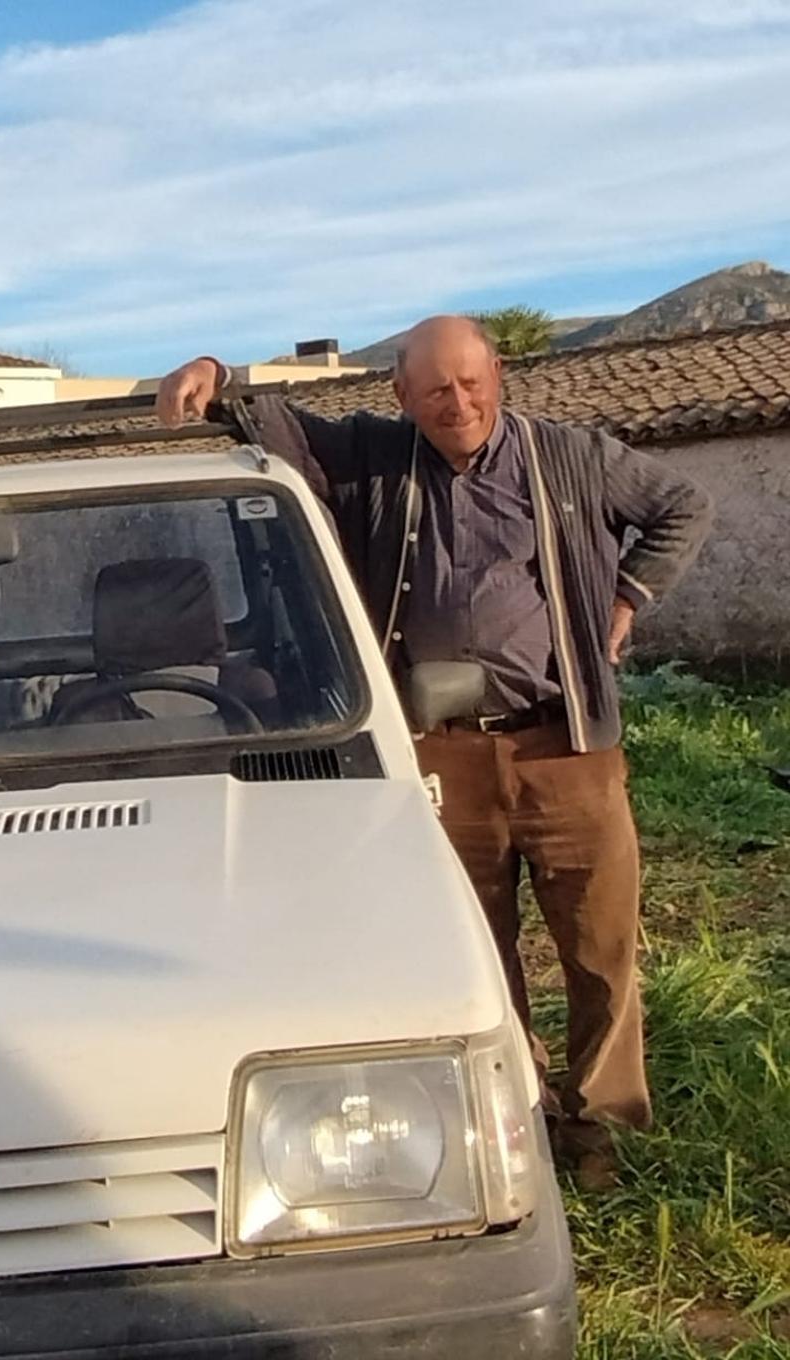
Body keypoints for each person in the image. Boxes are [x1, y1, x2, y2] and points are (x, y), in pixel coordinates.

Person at [157, 317, 713, 1188]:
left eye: (472, 382)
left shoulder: (570, 456)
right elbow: (283, 429)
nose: (459, 404)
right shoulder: (381, 457)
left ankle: (604, 1127)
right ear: (402, 397)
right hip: (440, 751)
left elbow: (685, 504)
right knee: (474, 944)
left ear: (498, 374)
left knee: (599, 946)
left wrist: (629, 596)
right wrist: (214, 371)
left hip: (565, 744)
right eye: (437, 391)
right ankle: (519, 1110)